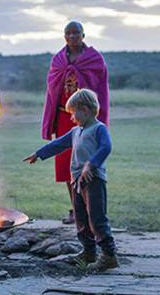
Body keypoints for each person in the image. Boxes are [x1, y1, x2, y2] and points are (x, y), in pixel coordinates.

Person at [25, 88, 118, 271]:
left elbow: (106, 147)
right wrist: (39, 154)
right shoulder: (76, 131)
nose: (71, 118)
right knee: (81, 218)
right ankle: (88, 252)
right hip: (77, 180)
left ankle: (109, 256)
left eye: (73, 113)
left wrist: (91, 164)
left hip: (93, 180)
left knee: (96, 218)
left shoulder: (99, 129)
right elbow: (58, 144)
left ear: (84, 109)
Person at [41, 21, 109, 224]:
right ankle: (75, 209)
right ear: (64, 37)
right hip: (64, 117)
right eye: (68, 33)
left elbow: (100, 90)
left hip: (86, 119)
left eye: (76, 33)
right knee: (66, 166)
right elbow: (52, 90)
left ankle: (91, 209)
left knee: (87, 162)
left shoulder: (93, 59)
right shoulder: (58, 60)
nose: (72, 37)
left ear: (83, 35)